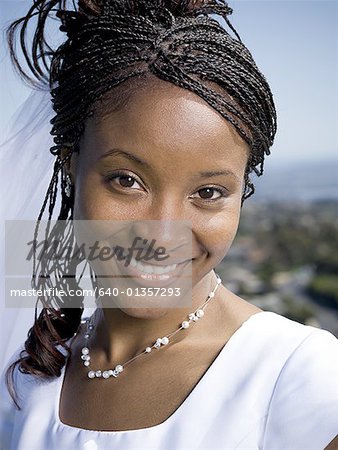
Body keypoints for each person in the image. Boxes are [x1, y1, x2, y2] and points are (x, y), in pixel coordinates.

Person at [1, 1, 338, 449]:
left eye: (209, 193)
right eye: (127, 181)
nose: (162, 234)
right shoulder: (29, 375)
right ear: (70, 167)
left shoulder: (302, 379)